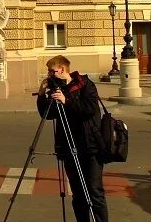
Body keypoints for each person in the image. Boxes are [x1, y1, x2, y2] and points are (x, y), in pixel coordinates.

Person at [36, 55, 108, 222]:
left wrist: (66, 100)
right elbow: (47, 115)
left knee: (94, 191)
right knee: (78, 194)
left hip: (90, 146)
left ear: (62, 69)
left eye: (51, 72)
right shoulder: (57, 90)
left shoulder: (85, 84)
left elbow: (89, 109)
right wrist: (42, 94)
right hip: (68, 147)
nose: (49, 75)